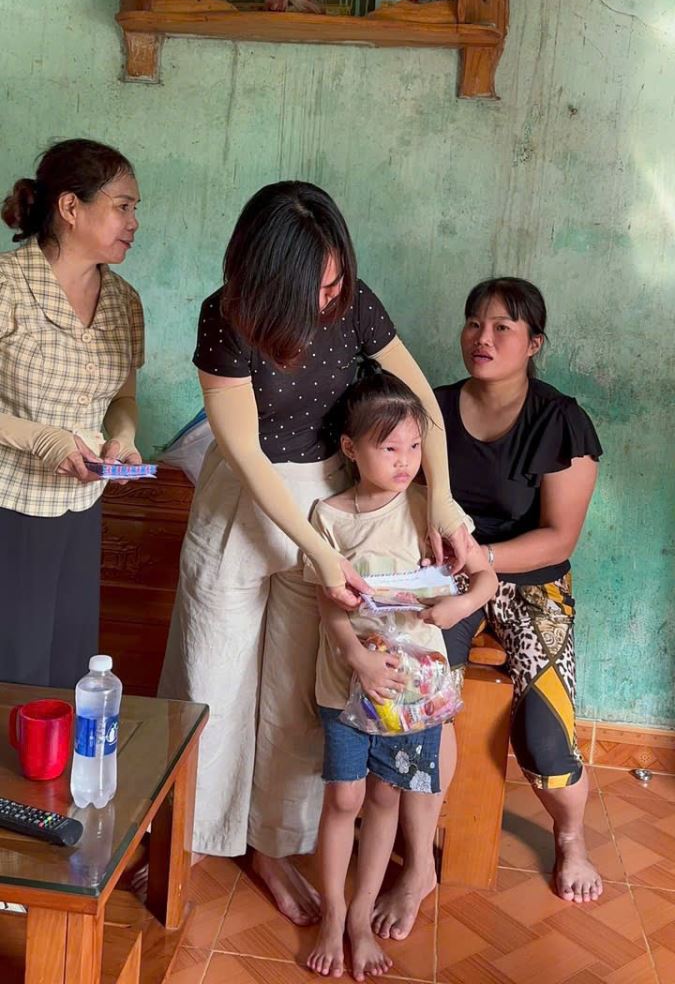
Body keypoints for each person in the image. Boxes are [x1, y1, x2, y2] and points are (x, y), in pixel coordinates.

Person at [159, 180, 473, 925]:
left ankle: (271, 845)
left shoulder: (353, 303)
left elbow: (420, 403)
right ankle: (191, 838)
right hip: (244, 503)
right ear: (266, 276)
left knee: (299, 693)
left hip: (326, 500)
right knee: (212, 678)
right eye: (315, 285)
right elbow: (244, 453)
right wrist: (317, 555)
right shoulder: (225, 316)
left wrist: (441, 495)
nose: (329, 297)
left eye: (336, 281)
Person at [372, 277, 603, 938]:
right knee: (418, 701)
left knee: (544, 735)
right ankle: (419, 864)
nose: (483, 337)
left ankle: (570, 839)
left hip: (528, 577)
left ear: (534, 343)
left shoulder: (560, 421)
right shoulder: (432, 409)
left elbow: (559, 538)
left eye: (504, 327)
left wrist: (483, 559)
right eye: (474, 322)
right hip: (445, 575)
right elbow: (399, 490)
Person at [305, 370, 497, 980]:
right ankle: (333, 916)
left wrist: (459, 607)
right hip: (346, 685)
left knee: (386, 796)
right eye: (390, 447)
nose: (406, 460)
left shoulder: (430, 509)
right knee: (344, 798)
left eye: (415, 446)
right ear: (350, 447)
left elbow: (485, 577)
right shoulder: (327, 517)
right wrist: (356, 656)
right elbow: (326, 603)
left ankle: (361, 919)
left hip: (413, 695)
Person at [0, 139, 144, 688]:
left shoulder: (124, 301)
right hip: (10, 506)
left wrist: (122, 439)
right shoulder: (8, 285)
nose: (133, 222)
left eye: (135, 209)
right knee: (15, 671)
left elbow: (123, 399)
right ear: (70, 207)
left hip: (82, 506)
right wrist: (44, 440)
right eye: (122, 206)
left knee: (72, 666)